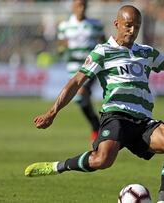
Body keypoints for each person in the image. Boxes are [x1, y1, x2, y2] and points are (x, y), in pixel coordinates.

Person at [25, 5, 164, 203]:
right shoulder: (102, 52)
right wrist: (52, 112)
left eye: (136, 27)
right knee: (102, 160)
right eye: (128, 25)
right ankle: (56, 166)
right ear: (117, 24)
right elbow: (76, 81)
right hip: (116, 116)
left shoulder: (146, 52)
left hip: (142, 120)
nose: (132, 30)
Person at [57, 0, 105, 142]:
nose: (81, 8)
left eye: (84, 5)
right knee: (81, 100)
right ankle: (96, 125)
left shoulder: (95, 24)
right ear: (73, 7)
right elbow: (61, 44)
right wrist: (63, 51)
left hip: (91, 65)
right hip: (73, 67)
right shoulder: (65, 26)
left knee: (82, 91)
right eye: (79, 5)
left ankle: (101, 128)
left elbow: (103, 42)